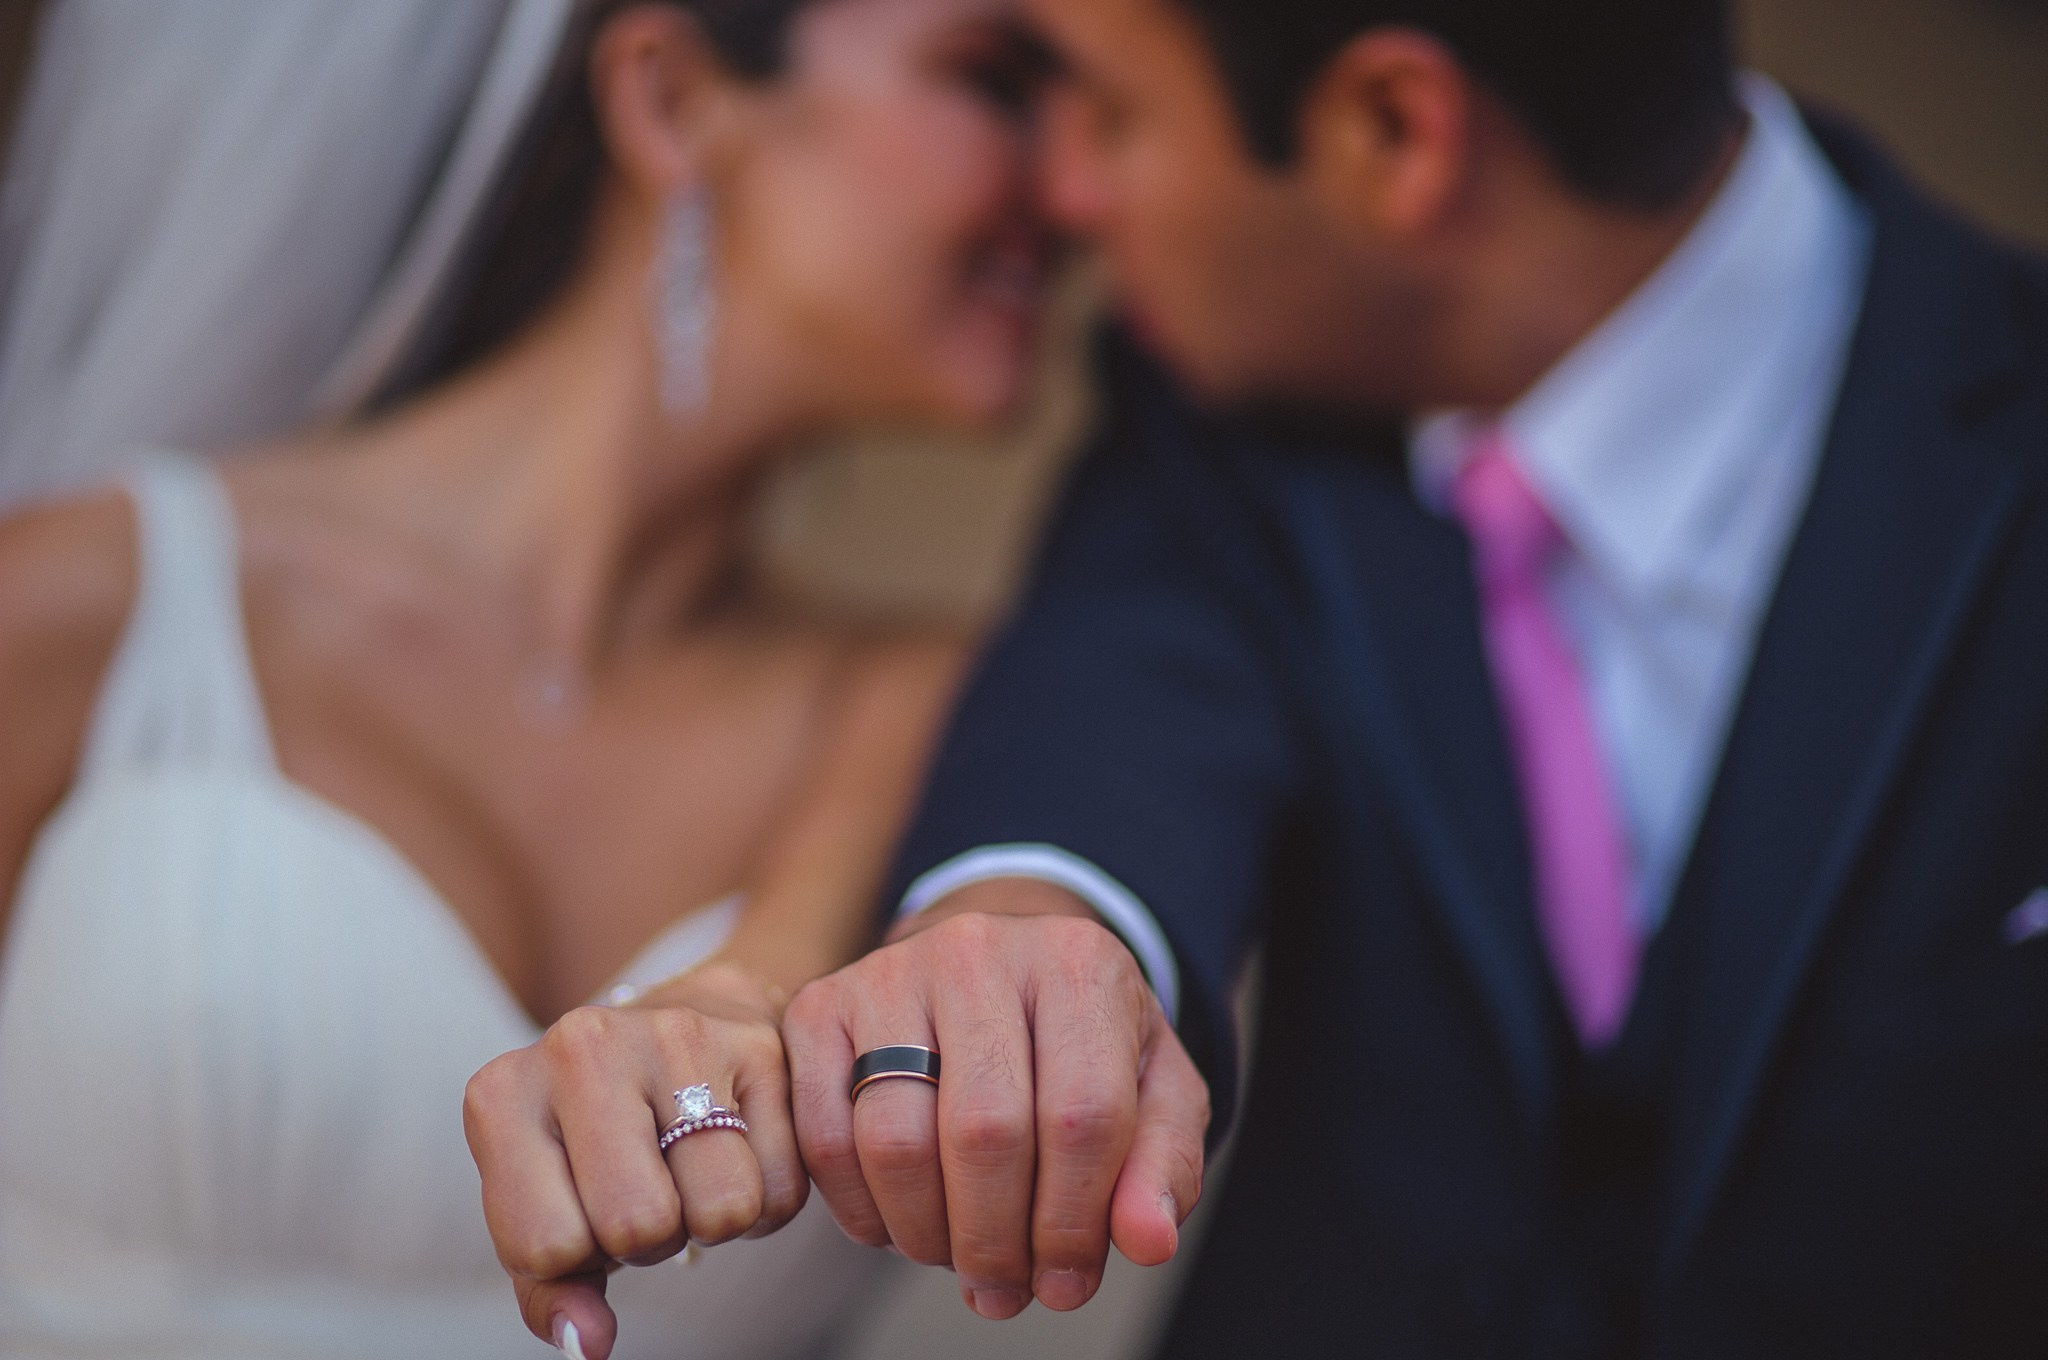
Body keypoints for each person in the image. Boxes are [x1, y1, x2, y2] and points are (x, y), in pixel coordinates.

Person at [487, 0, 2048, 1354]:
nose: (1067, 191)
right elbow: (1112, 719)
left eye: (1110, 107)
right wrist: (1019, 938)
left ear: (1393, 130)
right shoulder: (1221, 405)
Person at [0, 0, 1058, 1356]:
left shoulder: (931, 705)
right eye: (997, 79)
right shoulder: (95, 599)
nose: (1075, 186)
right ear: (673, 100)